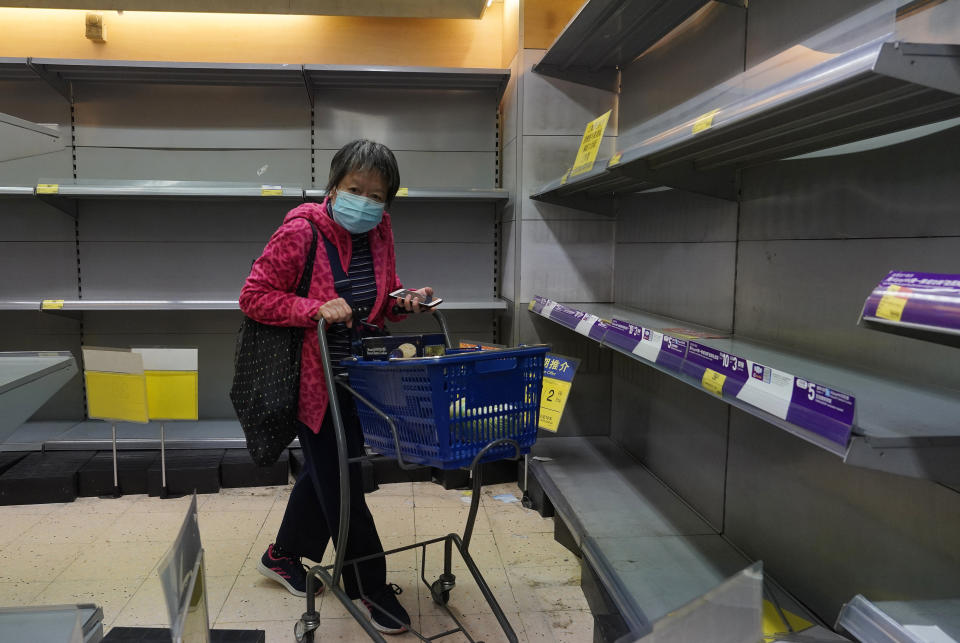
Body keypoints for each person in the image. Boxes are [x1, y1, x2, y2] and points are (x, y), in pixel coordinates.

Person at [239, 139, 432, 635]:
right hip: (314, 381)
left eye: (377, 194)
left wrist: (404, 301)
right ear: (333, 186)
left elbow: (376, 300)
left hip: (362, 379)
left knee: (327, 472)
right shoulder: (301, 231)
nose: (365, 202)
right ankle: (367, 585)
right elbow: (253, 296)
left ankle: (281, 555)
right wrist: (313, 308)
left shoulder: (380, 231)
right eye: (354, 189)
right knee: (345, 482)